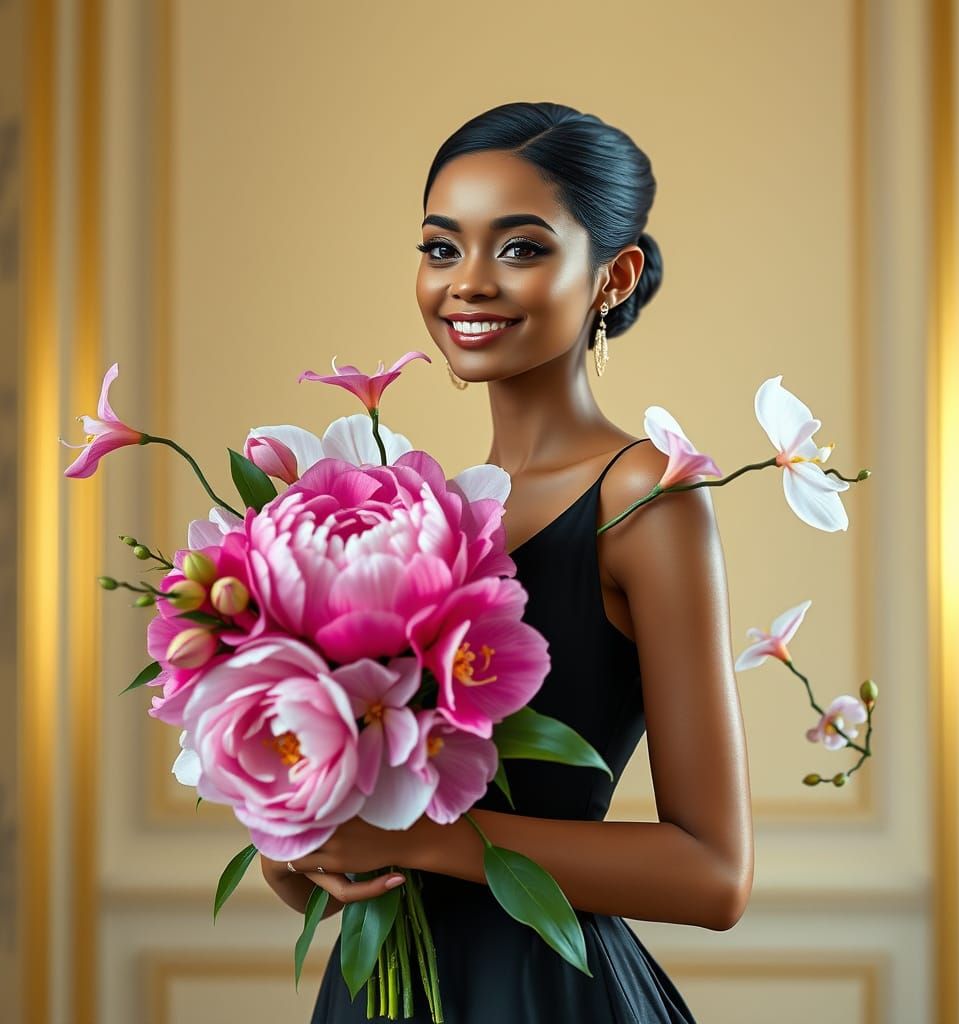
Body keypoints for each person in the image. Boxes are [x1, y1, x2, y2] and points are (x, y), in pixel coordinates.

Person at [261, 101, 754, 1023]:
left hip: (544, 993)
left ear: (616, 275)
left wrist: (437, 837)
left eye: (520, 248)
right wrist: (294, 844)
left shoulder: (646, 494)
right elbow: (333, 881)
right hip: (377, 997)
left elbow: (714, 875)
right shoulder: (410, 511)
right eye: (443, 248)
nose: (469, 284)